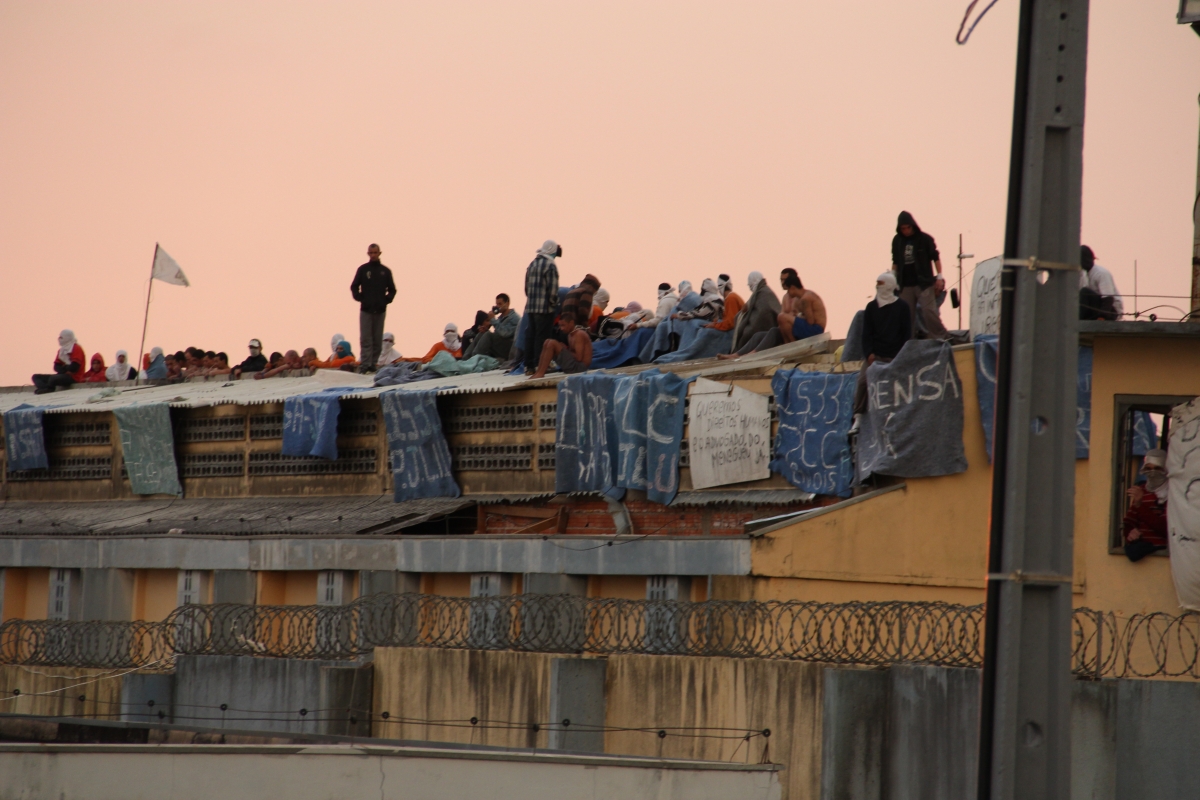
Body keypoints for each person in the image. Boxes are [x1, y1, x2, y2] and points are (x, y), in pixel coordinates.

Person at [851, 273, 912, 431]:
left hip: (894, 357)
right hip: (875, 356)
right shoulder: (871, 307)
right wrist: (869, 354)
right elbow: (866, 335)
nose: (878, 287)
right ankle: (858, 418)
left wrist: (901, 357)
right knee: (862, 381)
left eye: (881, 284)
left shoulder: (902, 307)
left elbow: (906, 335)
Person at [892, 211, 947, 338]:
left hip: (924, 283)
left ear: (913, 225)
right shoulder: (897, 241)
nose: (906, 231)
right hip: (905, 284)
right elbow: (895, 261)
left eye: (908, 227)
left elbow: (936, 258)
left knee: (929, 311)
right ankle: (907, 343)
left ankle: (942, 337)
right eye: (903, 228)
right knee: (906, 316)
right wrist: (893, 278)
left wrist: (939, 277)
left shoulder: (925, 239)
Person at [350, 243, 396, 373]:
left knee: (377, 339)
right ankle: (365, 364)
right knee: (366, 339)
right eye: (371, 253)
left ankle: (373, 364)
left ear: (379, 253)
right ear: (368, 254)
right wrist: (361, 298)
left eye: (375, 253)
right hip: (366, 310)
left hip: (380, 310)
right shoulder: (363, 270)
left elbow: (392, 289)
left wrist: (385, 301)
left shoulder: (385, 271)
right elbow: (354, 286)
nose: (373, 255)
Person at [522, 240, 561, 374]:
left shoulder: (532, 264)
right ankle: (540, 365)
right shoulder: (550, 265)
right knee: (542, 337)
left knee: (531, 335)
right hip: (544, 308)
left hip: (531, 308)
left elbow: (526, 289)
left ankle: (528, 366)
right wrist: (553, 304)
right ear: (552, 250)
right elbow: (553, 290)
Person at [1123, 448, 1169, 562]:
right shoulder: (1142, 491)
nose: (1152, 473)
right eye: (1148, 469)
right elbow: (1128, 523)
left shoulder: (1173, 492)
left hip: (1164, 556)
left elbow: (1167, 529)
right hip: (1143, 556)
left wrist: (1140, 505)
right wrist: (1131, 534)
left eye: (1157, 468)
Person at [724, 272, 783, 357]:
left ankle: (741, 354)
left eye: (750, 284)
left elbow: (763, 313)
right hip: (762, 326)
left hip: (766, 326)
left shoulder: (764, 292)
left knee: (747, 333)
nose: (749, 287)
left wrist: (749, 324)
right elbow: (749, 308)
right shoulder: (758, 293)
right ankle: (736, 354)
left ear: (754, 281)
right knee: (753, 334)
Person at [529, 314, 593, 378]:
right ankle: (538, 372)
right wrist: (564, 349)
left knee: (552, 343)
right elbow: (572, 352)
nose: (561, 328)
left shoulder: (579, 334)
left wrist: (564, 349)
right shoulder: (570, 335)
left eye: (563, 325)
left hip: (580, 368)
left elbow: (579, 358)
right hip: (574, 365)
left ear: (571, 323)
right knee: (547, 342)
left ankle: (541, 373)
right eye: (560, 326)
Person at [464, 294, 521, 360]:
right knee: (482, 334)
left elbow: (505, 333)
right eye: (497, 304)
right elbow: (497, 334)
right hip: (500, 345)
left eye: (500, 304)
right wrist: (486, 330)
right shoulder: (500, 318)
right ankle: (466, 358)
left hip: (509, 348)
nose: (498, 306)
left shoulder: (514, 318)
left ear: (507, 304)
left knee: (488, 335)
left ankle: (475, 359)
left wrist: (493, 320)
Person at [1079, 245, 1124, 320]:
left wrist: (1102, 317)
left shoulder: (1101, 273)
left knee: (1085, 292)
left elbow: (1108, 298)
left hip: (1111, 311)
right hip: (1096, 308)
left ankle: (1077, 320)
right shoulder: (1083, 274)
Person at [33, 330, 86, 394]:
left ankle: (49, 389)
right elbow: (56, 367)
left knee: (53, 378)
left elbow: (74, 367)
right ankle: (45, 388)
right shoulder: (61, 351)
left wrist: (64, 367)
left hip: (74, 377)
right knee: (36, 377)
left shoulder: (76, 348)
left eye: (61, 337)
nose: (59, 339)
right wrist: (66, 369)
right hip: (62, 375)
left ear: (67, 338)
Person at [778, 274, 826, 343]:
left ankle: (792, 343)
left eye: (788, 290)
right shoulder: (801, 297)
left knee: (782, 317)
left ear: (792, 288)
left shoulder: (805, 299)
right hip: (813, 328)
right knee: (783, 322)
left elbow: (810, 321)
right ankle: (788, 343)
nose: (788, 293)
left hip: (815, 330)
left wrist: (798, 316)